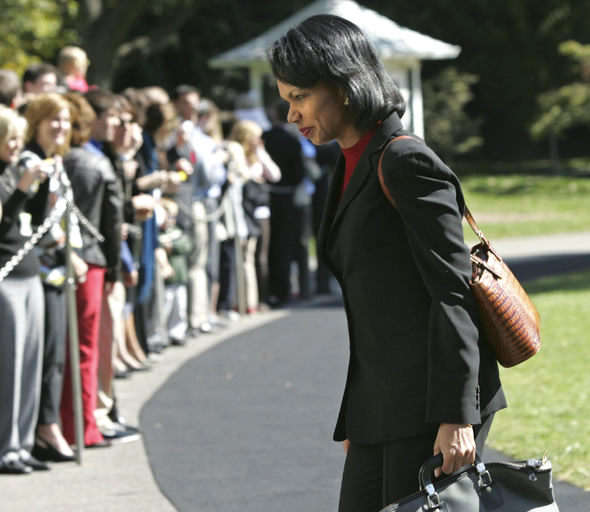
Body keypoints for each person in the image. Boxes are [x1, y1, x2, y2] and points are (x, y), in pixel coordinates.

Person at [267, 15, 507, 511]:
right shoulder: (350, 160)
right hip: (381, 404)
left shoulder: (405, 161)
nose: (291, 114)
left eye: (298, 97)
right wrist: (359, 417)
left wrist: (456, 416)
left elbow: (451, 292)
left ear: (343, 85)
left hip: (429, 405)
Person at [0, 106, 51, 473]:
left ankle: (23, 441)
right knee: (10, 365)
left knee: (31, 362)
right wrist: (21, 187)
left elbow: (33, 217)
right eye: (10, 139)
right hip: (6, 276)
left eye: (19, 137)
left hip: (29, 270)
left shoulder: (15, 168)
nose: (17, 146)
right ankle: (7, 446)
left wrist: (43, 180)